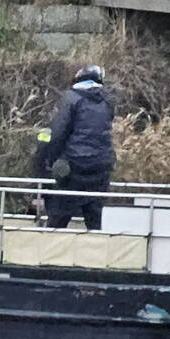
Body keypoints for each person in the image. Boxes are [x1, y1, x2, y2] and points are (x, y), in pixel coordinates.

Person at [37, 65, 115, 230]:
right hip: (101, 167)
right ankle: (99, 254)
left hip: (74, 167)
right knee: (95, 221)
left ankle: (49, 252)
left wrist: (52, 161)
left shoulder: (71, 98)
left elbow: (58, 133)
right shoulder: (107, 101)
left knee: (58, 218)